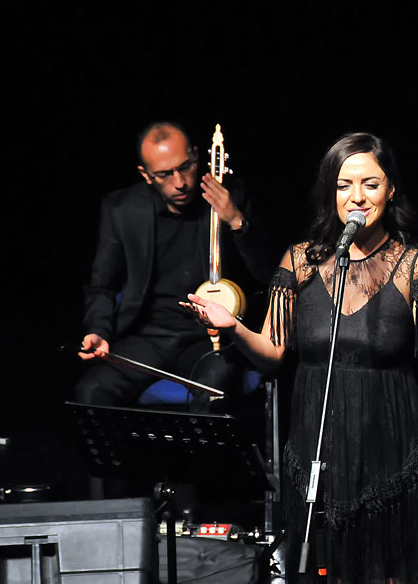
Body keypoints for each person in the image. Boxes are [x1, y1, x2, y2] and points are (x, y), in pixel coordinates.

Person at [184, 132, 418, 584]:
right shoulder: (300, 261)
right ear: (331, 191)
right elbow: (273, 353)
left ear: (391, 190)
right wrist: (234, 327)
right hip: (320, 442)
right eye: (345, 185)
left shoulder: (413, 264)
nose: (357, 197)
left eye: (371, 184)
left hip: (388, 442)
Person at [76, 121, 278, 410]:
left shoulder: (231, 195)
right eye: (164, 174)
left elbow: (268, 276)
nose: (180, 182)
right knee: (92, 390)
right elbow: (102, 287)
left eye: (185, 167)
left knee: (217, 386)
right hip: (147, 339)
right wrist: (98, 332)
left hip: (208, 340)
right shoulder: (121, 209)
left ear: (196, 156)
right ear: (145, 175)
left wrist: (236, 221)